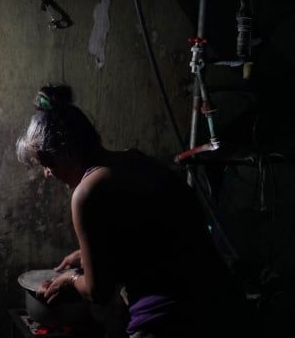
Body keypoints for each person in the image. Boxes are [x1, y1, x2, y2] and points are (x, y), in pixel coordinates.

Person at [16, 84, 248, 338]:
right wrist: (88, 254)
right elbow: (153, 239)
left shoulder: (87, 191)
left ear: (66, 151)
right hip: (224, 303)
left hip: (172, 320)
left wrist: (70, 281)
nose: (48, 174)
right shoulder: (134, 159)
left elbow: (98, 291)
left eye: (47, 164)